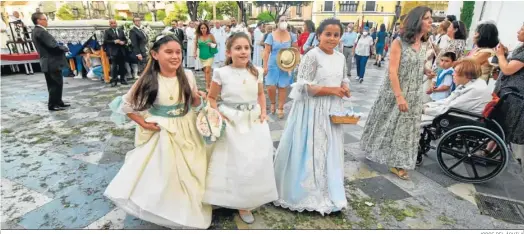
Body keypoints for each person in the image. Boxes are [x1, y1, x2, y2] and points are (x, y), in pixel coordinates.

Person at [104, 34, 211, 229]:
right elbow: (126, 105)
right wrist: (143, 123)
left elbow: (194, 102)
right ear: (155, 54)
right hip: (163, 131)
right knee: (168, 170)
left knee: (192, 167)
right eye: (168, 52)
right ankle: (168, 206)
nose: (175, 56)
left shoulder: (187, 75)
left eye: (178, 52)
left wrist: (198, 99)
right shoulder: (148, 80)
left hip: (187, 126)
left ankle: (190, 202)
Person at [273, 18, 350, 215]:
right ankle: (305, 192)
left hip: (332, 109)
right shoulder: (311, 56)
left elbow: (344, 77)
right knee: (310, 147)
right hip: (311, 111)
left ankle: (328, 190)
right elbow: (304, 86)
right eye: (328, 34)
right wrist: (332, 90)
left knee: (329, 148)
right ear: (319, 36)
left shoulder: (341, 57)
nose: (332, 39)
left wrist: (345, 87)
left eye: (336, 35)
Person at [204, 32, 277, 224]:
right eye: (238, 48)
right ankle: (225, 196)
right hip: (231, 120)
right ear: (228, 52)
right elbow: (211, 97)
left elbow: (260, 94)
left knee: (252, 159)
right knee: (232, 160)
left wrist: (263, 110)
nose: (243, 51)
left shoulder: (257, 71)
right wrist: (217, 113)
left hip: (253, 120)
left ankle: (245, 201)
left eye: (246, 48)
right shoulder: (221, 73)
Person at [360, 6, 435, 180]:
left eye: (431, 18)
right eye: (427, 18)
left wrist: (425, 70)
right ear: (417, 21)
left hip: (414, 92)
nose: (431, 21)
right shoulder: (399, 42)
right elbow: (392, 71)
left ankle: (398, 162)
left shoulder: (424, 43)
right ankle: (374, 147)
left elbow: (415, 63)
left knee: (406, 128)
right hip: (395, 90)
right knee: (386, 122)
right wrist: (399, 96)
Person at [492, 23, 524, 166]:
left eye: (522, 29)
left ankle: (495, 152)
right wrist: (504, 54)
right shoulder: (520, 48)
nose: (518, 31)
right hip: (508, 93)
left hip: (514, 96)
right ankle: (491, 149)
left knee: (504, 124)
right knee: (500, 123)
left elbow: (507, 69)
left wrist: (500, 56)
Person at [422, 58, 492, 124]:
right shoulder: (468, 83)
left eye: (455, 72)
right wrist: (427, 105)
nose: (452, 74)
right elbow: (448, 101)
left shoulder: (476, 89)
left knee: (419, 120)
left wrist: (425, 110)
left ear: (466, 75)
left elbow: (450, 108)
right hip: (457, 114)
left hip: (465, 120)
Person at [31, 12, 70, 111]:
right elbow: (52, 46)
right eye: (45, 19)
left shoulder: (36, 31)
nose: (47, 21)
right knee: (54, 84)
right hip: (51, 61)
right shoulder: (41, 31)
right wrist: (64, 48)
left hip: (48, 61)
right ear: (38, 20)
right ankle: (53, 104)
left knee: (56, 83)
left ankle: (58, 102)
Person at [263, 15, 298, 119]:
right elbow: (266, 51)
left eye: (286, 20)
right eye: (282, 20)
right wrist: (265, 65)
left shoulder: (292, 35)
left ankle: (281, 108)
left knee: (283, 86)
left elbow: (295, 50)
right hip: (273, 63)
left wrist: (294, 63)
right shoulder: (271, 35)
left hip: (286, 64)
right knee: (270, 86)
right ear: (277, 22)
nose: (284, 22)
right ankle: (273, 102)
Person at [104, 19, 128, 87]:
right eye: (112, 23)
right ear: (110, 24)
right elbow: (105, 41)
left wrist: (124, 42)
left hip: (121, 50)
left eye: (114, 23)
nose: (114, 24)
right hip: (113, 51)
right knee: (114, 66)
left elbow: (125, 39)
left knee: (122, 66)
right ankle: (114, 80)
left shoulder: (120, 30)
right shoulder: (107, 31)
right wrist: (114, 41)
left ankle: (122, 79)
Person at [194, 22, 217, 92]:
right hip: (202, 55)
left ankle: (208, 86)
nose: (203, 29)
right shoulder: (198, 36)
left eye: (204, 28)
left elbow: (215, 44)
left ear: (207, 28)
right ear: (200, 29)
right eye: (202, 28)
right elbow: (195, 44)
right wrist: (194, 53)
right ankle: (208, 83)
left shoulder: (211, 36)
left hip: (210, 54)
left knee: (207, 70)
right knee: (206, 71)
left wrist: (211, 44)